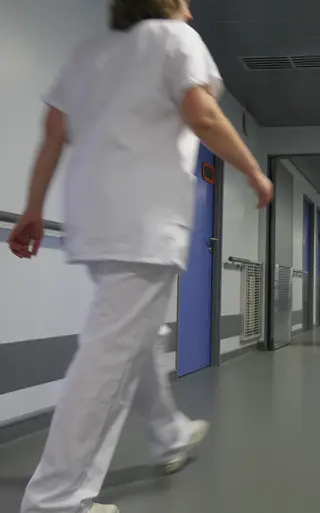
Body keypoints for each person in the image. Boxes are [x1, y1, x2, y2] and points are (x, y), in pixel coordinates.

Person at [7, 1, 273, 512]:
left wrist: (34, 207)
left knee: (135, 336)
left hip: (97, 218)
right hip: (144, 222)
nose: (192, 12)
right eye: (185, 2)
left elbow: (54, 132)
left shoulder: (88, 52)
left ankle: (169, 434)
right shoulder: (175, 40)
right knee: (108, 356)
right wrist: (252, 170)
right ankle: (55, 499)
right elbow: (203, 115)